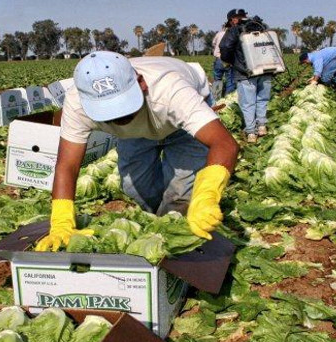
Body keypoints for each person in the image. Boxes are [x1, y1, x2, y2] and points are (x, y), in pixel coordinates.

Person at [34, 51, 240, 252]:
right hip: (134, 132)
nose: (118, 116)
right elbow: (67, 165)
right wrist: (61, 222)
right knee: (135, 186)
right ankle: (162, 222)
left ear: (141, 83)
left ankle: (178, 244)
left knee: (182, 195)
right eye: (107, 111)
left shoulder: (171, 90)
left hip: (180, 125)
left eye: (123, 105)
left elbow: (224, 144)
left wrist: (207, 196)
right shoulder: (77, 103)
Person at [219, 9, 272, 143]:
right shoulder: (262, 27)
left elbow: (225, 47)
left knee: (248, 103)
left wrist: (230, 60)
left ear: (233, 20)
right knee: (262, 99)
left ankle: (251, 133)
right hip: (266, 70)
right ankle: (262, 127)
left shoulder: (235, 30)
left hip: (245, 73)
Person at [212, 23, 235, 100]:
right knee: (230, 80)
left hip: (218, 59)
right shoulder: (233, 34)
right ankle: (227, 100)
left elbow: (213, 43)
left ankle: (216, 99)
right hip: (228, 60)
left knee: (217, 79)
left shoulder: (219, 34)